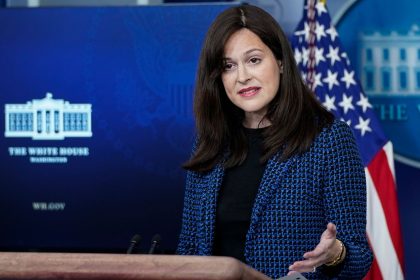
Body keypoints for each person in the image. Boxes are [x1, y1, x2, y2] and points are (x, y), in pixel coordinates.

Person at [177, 4, 373, 279]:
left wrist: (335, 253)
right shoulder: (210, 143)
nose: (242, 76)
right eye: (228, 66)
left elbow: (358, 258)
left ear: (280, 61)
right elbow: (188, 248)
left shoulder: (329, 139)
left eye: (254, 60)